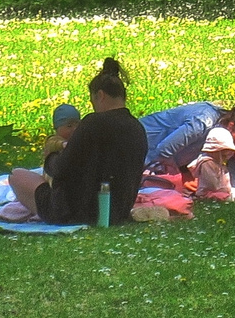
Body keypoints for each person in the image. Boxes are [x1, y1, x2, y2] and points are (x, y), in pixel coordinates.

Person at [10, 59, 146, 226]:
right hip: (117, 212)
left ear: (100, 96)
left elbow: (60, 169)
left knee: (16, 175)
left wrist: (50, 156)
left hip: (74, 213)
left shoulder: (94, 123)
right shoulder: (137, 128)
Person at [141, 102, 235, 173]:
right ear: (231, 126)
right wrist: (182, 176)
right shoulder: (203, 122)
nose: (234, 150)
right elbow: (164, 150)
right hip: (139, 148)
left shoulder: (224, 132)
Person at [190, 127, 235, 200]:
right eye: (223, 152)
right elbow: (213, 185)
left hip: (221, 191)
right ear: (215, 150)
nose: (227, 154)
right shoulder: (207, 163)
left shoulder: (218, 162)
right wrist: (225, 190)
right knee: (227, 197)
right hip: (208, 193)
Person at [43, 103, 81, 169]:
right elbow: (53, 144)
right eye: (69, 126)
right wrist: (63, 144)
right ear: (57, 128)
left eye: (77, 125)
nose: (75, 129)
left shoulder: (78, 139)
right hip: (53, 174)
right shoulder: (54, 140)